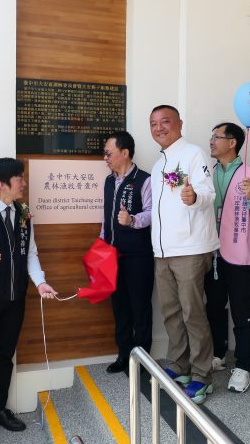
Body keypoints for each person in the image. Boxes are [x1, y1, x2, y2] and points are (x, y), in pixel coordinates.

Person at [0, 157, 57, 443]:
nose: (24, 183)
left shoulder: (24, 212)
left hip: (16, 298)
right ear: (2, 183)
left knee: (6, 355)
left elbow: (31, 253)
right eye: (19, 178)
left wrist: (40, 282)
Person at [149, 105, 220, 404]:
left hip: (190, 248)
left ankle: (203, 376)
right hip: (163, 250)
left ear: (179, 123)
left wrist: (195, 197)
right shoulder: (158, 165)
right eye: (153, 123)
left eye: (165, 121)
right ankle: (180, 366)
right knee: (171, 311)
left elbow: (208, 193)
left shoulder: (193, 154)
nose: (159, 128)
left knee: (193, 312)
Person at [206, 122, 250, 393]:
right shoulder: (208, 173)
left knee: (243, 312)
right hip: (213, 252)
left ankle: (244, 366)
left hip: (241, 256)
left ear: (232, 143)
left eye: (216, 137)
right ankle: (218, 354)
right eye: (211, 137)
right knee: (214, 307)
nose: (211, 141)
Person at [100, 131, 153, 374]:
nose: (105, 158)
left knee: (139, 308)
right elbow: (106, 217)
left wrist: (131, 220)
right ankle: (123, 355)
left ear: (125, 153)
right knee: (119, 307)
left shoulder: (145, 180)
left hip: (138, 256)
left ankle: (142, 362)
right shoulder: (109, 181)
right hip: (112, 254)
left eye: (108, 153)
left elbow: (152, 214)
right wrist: (101, 243)